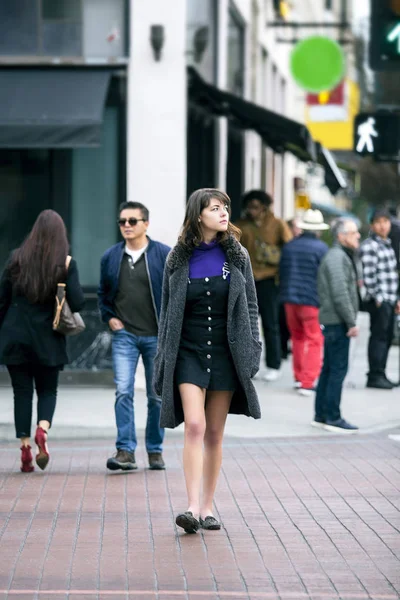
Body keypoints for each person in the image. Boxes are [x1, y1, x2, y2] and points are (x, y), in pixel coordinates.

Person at [154, 188, 261, 534]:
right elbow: (167, 313)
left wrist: (253, 349)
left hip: (227, 354)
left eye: (225, 208)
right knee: (195, 426)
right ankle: (189, 507)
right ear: (198, 215)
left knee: (214, 433)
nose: (223, 213)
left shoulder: (238, 255)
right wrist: (162, 357)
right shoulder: (177, 258)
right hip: (188, 351)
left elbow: (251, 306)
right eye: (215, 208)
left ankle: (207, 506)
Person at [0, 210, 85, 472]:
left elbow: (2, 300)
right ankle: (42, 429)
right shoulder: (65, 263)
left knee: (21, 392)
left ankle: (25, 446)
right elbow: (79, 302)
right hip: (48, 339)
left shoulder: (16, 258)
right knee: (47, 390)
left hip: (15, 337)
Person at [98, 202, 170, 472]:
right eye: (122, 222)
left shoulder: (163, 254)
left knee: (157, 397)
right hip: (125, 335)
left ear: (145, 224)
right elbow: (104, 295)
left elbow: (175, 295)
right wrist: (108, 317)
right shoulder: (111, 256)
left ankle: (155, 450)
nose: (126, 226)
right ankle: (125, 451)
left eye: (132, 221)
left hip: (157, 337)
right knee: (123, 391)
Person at [235, 190, 292, 381]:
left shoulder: (277, 224)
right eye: (249, 207)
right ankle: (248, 364)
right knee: (247, 325)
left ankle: (274, 364)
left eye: (256, 207)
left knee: (271, 323)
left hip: (269, 279)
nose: (252, 211)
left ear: (264, 207)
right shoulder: (241, 225)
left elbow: (289, 247)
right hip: (246, 278)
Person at [314, 218, 361, 432]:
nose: (358, 236)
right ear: (341, 236)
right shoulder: (337, 257)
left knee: (330, 368)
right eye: (353, 233)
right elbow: (340, 293)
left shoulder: (339, 256)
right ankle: (332, 416)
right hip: (337, 321)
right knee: (336, 369)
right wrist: (351, 322)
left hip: (334, 320)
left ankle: (322, 414)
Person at [279, 210, 329, 396]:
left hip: (289, 299)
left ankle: (299, 377)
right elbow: (324, 278)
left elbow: (282, 273)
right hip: (311, 300)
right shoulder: (322, 249)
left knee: (297, 338)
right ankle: (308, 382)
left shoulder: (289, 246)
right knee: (315, 339)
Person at [359, 207, 400, 389]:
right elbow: (369, 277)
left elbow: (392, 275)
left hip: (391, 298)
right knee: (379, 337)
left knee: (387, 336)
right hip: (380, 300)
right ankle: (374, 375)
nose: (383, 226)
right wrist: (379, 299)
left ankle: (381, 373)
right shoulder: (370, 246)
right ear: (372, 225)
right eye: (378, 222)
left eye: (386, 222)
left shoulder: (388, 244)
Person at [279, 217, 302, 360]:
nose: (298, 230)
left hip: (293, 287)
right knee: (284, 321)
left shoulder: (294, 245)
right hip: (287, 287)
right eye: (295, 227)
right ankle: (283, 347)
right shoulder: (286, 245)